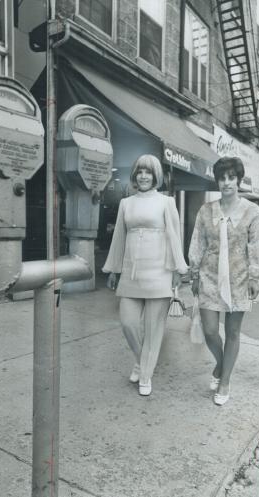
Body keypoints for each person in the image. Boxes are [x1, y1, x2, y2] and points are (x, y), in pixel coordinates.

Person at [188, 156, 259, 406]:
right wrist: (194, 273)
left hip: (239, 278)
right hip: (209, 277)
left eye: (231, 177)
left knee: (233, 331)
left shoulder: (252, 211)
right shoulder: (206, 211)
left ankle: (224, 381)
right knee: (211, 330)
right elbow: (198, 243)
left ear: (238, 180)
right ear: (217, 181)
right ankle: (221, 364)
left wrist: (255, 277)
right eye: (222, 178)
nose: (226, 183)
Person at [102, 154, 188, 396]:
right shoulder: (125, 204)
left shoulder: (166, 202)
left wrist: (177, 271)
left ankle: (146, 375)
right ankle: (142, 361)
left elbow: (174, 238)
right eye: (139, 171)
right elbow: (119, 237)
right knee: (128, 323)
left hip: (159, 272)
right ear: (134, 175)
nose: (143, 176)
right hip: (131, 273)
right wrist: (114, 270)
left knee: (153, 330)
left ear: (156, 176)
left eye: (148, 172)